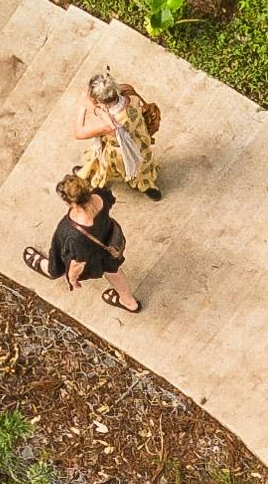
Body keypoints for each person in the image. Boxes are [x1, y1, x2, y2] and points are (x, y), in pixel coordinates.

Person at [24, 176, 140, 311]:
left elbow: (77, 262)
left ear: (72, 204)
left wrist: (72, 280)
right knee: (113, 269)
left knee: (58, 263)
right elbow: (110, 198)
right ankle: (129, 303)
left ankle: (51, 270)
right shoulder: (100, 196)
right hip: (110, 243)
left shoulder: (72, 232)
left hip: (95, 257)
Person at [74, 70, 164, 200]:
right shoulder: (130, 94)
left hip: (119, 153)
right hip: (139, 141)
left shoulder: (108, 125)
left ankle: (92, 177)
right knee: (143, 166)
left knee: (104, 165)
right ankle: (148, 187)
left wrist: (84, 106)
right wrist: (99, 109)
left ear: (99, 101)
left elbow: (78, 133)